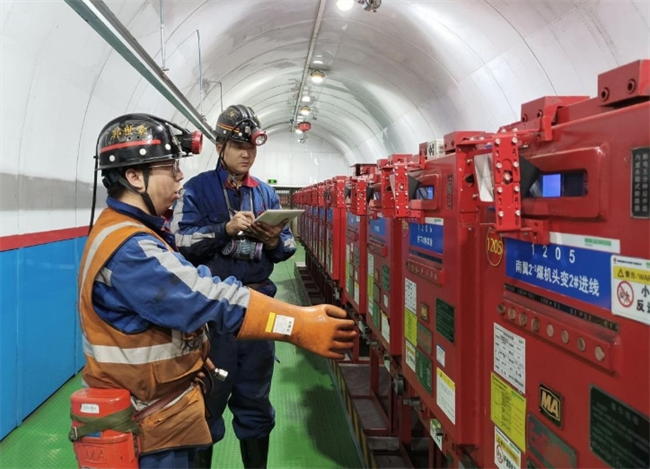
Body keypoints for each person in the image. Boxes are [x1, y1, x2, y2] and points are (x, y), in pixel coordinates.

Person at [75, 113, 356, 469]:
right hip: (149, 421)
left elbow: (190, 293)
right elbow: (202, 295)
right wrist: (296, 324)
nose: (179, 176)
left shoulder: (133, 229)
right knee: (211, 409)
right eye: (170, 168)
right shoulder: (132, 247)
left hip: (160, 404)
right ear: (134, 177)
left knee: (254, 401)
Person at [170, 105, 295, 469]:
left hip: (257, 310)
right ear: (219, 146)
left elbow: (288, 246)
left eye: (251, 147)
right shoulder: (196, 190)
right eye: (239, 146)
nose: (246, 154)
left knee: (255, 400)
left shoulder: (266, 194)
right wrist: (224, 230)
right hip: (213, 316)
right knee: (206, 401)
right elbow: (180, 242)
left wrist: (273, 240)